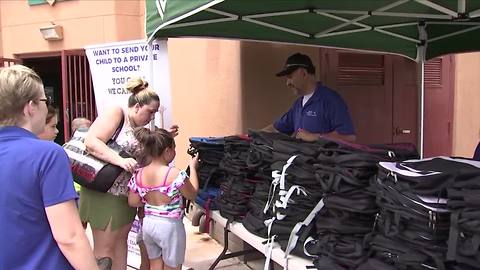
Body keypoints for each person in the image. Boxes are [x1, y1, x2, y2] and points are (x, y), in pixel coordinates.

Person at [0, 64, 98, 269]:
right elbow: (69, 236)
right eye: (46, 100)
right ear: (30, 107)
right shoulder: (47, 154)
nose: (48, 106)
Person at [80, 77, 179, 270]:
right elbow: (91, 141)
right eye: (150, 112)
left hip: (126, 197)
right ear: (137, 106)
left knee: (120, 245)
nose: (152, 117)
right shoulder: (117, 113)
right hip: (104, 193)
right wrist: (120, 161)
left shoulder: (139, 128)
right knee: (104, 250)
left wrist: (165, 135)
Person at [127, 128, 199, 270]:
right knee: (172, 266)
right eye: (174, 148)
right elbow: (193, 194)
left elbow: (132, 201)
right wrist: (193, 168)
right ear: (167, 151)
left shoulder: (139, 174)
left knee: (155, 263)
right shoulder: (174, 174)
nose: (175, 152)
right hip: (170, 226)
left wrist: (150, 197)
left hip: (148, 225)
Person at [264, 53, 356, 142]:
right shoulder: (298, 105)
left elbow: (349, 137)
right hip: (299, 157)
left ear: (303, 73)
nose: (287, 83)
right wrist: (252, 136)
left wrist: (315, 137)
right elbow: (277, 128)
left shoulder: (330, 99)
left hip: (322, 158)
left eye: (290, 77)